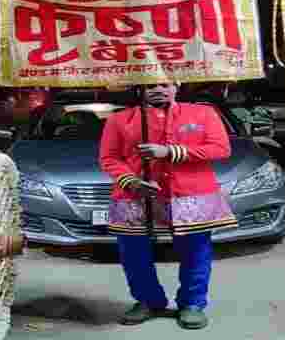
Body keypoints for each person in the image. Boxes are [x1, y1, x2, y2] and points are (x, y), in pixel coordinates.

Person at [99, 82, 237, 330]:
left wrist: (170, 151)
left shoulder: (203, 113)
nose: (158, 89)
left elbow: (220, 148)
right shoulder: (119, 120)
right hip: (135, 195)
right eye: (151, 85)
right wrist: (131, 181)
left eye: (165, 84)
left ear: (177, 85)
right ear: (140, 88)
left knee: (196, 250)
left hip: (192, 193)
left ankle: (192, 304)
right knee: (133, 252)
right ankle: (147, 300)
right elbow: (108, 158)